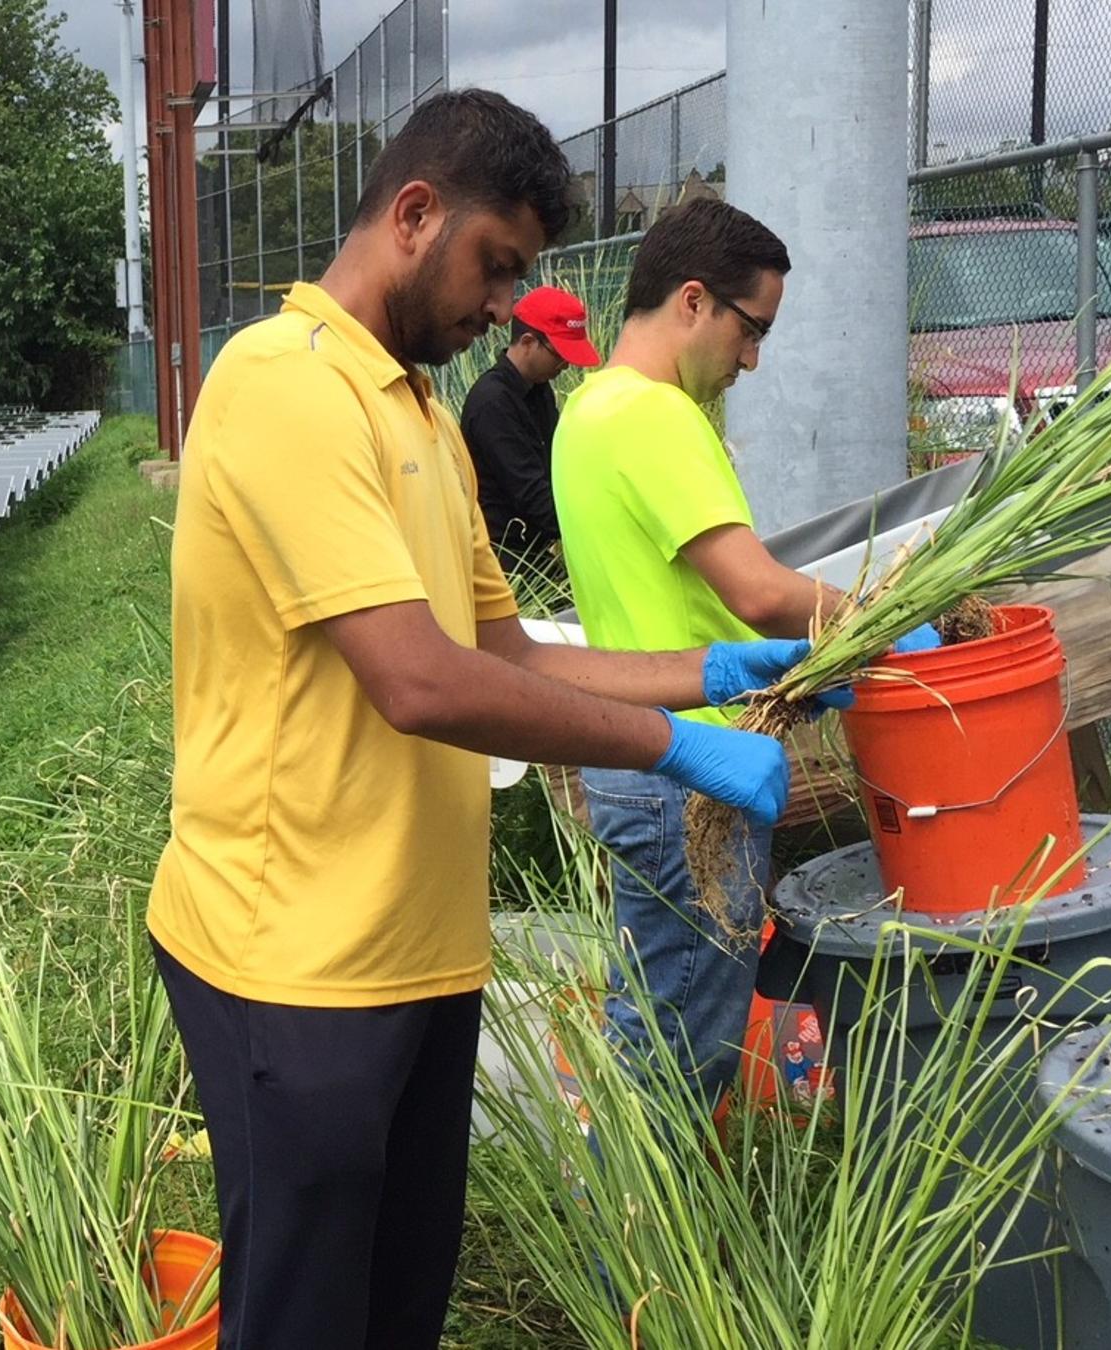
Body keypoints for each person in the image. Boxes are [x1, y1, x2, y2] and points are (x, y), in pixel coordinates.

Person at [148, 90, 822, 1349]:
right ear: (414, 215)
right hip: (290, 957)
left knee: (400, 1303)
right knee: (304, 1317)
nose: (506, 306)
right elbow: (421, 680)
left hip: (419, 947)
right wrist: (674, 749)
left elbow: (509, 652)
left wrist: (720, 673)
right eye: (495, 267)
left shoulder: (420, 420)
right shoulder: (284, 386)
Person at [550, 197, 940, 1107]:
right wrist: (881, 621)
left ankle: (626, 1223)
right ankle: (638, 1248)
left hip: (643, 756)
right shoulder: (654, 417)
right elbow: (758, 592)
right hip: (690, 773)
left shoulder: (589, 412)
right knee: (684, 1050)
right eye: (751, 329)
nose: (753, 358)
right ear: (694, 301)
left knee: (656, 1015)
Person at [458, 285, 601, 570]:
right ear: (527, 342)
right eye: (559, 354)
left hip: (532, 550)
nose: (565, 365)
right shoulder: (492, 403)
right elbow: (531, 494)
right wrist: (597, 532)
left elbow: (560, 464)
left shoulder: (538, 390)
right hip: (499, 557)